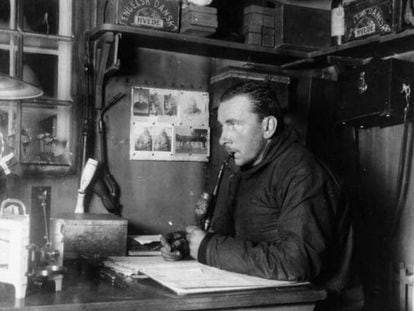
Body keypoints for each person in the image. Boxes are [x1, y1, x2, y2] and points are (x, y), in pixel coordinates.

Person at [160, 81, 363, 310]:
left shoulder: (303, 173)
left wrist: (208, 247)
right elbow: (225, 237)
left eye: (234, 124)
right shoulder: (242, 169)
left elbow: (297, 262)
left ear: (268, 127)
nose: (222, 139)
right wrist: (187, 243)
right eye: (222, 126)